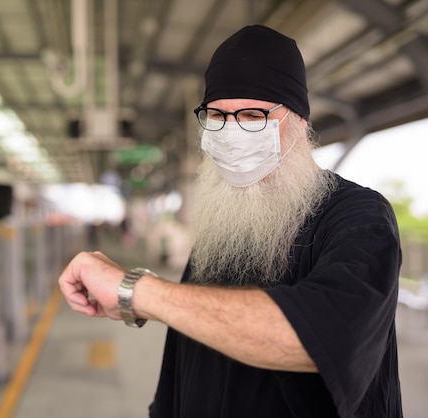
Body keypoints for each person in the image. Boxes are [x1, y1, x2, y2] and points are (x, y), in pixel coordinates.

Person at [58, 24, 402, 418]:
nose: (232, 131)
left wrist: (134, 291)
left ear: (300, 122)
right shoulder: (222, 230)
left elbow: (323, 339)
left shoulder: (358, 216)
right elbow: (178, 368)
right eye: (217, 115)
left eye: (253, 115)